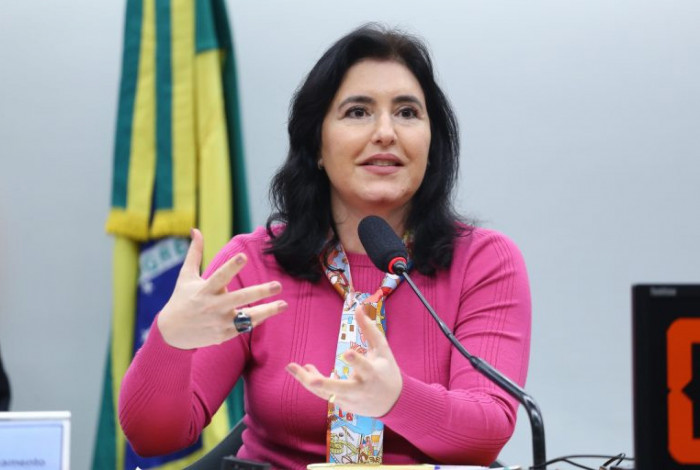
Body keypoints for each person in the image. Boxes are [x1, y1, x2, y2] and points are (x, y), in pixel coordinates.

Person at [119, 24, 531, 468]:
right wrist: (171, 340)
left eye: (407, 112)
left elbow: (487, 432)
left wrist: (396, 398)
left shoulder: (483, 262)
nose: (386, 132)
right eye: (358, 111)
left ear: (432, 143)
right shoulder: (254, 263)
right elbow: (152, 436)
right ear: (316, 143)